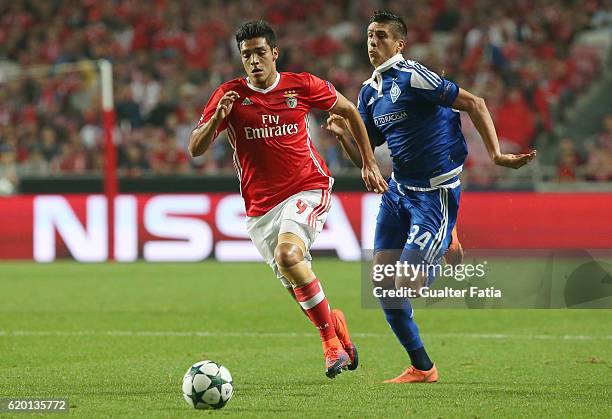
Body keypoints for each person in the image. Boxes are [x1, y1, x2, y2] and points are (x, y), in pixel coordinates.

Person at [324, 10, 536, 383]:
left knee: (405, 283)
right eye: (370, 36)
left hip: (434, 195)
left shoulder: (414, 76)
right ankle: (423, 368)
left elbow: (476, 103)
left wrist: (498, 155)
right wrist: (344, 135)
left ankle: (446, 238)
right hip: (397, 192)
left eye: (382, 37)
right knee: (383, 288)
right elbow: (366, 154)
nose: (373, 43)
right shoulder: (369, 92)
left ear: (400, 44)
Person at [188, 20, 388, 378]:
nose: (254, 61)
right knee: (296, 279)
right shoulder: (229, 96)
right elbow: (194, 148)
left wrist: (369, 162)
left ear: (274, 53)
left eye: (260, 52)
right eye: (246, 55)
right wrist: (217, 118)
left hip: (307, 188)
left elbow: (349, 111)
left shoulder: (302, 85)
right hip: (260, 209)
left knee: (288, 255)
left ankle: (329, 346)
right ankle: (335, 326)